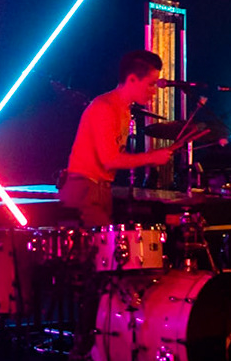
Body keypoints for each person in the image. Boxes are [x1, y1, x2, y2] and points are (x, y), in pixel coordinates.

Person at [59, 49, 176, 228]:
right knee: (104, 251)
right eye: (151, 84)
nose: (154, 91)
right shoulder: (104, 108)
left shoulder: (124, 110)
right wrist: (151, 157)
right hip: (84, 188)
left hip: (100, 189)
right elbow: (109, 159)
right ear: (132, 80)